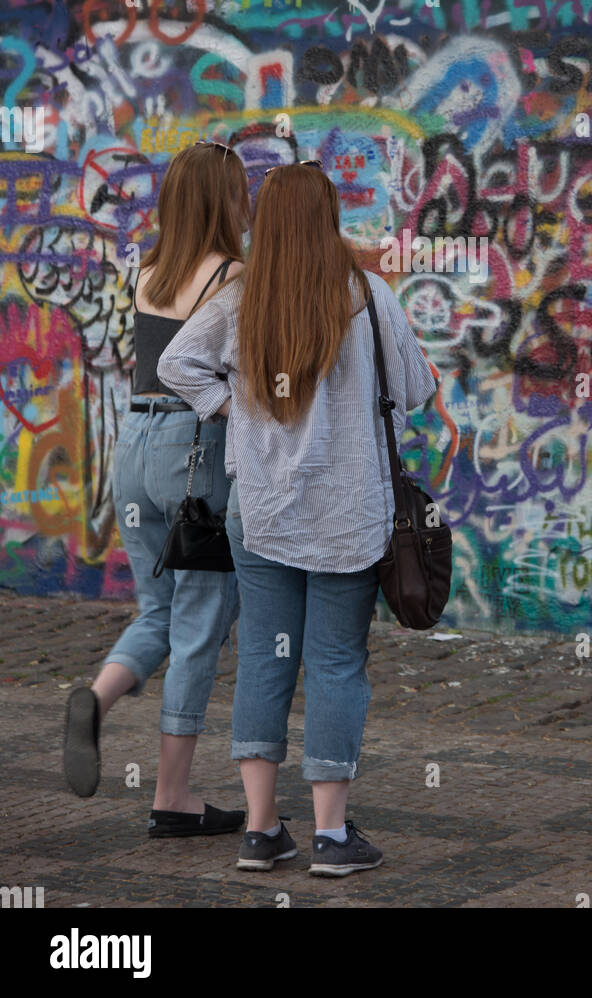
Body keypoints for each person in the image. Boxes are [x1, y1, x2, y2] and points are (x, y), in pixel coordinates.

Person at [157, 161, 438, 875]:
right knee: (337, 662)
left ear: (266, 221)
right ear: (329, 218)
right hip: (348, 515)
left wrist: (239, 412)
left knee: (262, 658)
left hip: (264, 512)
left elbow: (176, 365)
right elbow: (411, 391)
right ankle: (331, 836)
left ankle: (259, 830)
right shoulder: (369, 297)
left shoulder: (240, 298)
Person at [62, 141, 250, 841]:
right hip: (194, 455)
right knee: (202, 619)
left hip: (134, 450)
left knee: (161, 607)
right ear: (221, 200)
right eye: (239, 191)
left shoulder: (148, 269)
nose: (249, 202)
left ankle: (99, 696)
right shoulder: (232, 275)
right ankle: (172, 796)